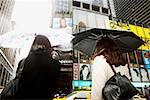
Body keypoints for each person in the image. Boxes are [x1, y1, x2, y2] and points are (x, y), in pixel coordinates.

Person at [16, 35, 61, 99]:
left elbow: (19, 82)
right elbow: (55, 86)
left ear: (33, 46)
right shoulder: (55, 64)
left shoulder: (23, 62)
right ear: (48, 47)